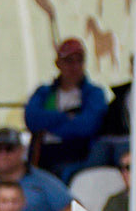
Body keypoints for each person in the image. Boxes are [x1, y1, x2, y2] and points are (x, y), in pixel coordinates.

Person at [23, 38, 108, 182]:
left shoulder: (94, 93)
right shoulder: (44, 93)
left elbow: (87, 126)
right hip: (43, 156)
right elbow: (32, 119)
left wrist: (48, 125)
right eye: (69, 61)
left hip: (78, 157)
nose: (74, 66)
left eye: (79, 60)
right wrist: (65, 117)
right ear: (58, 64)